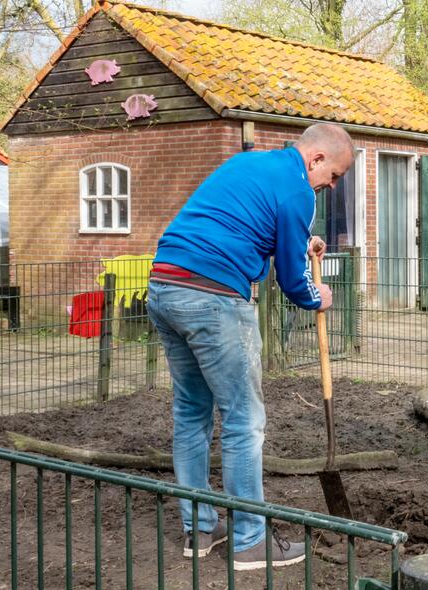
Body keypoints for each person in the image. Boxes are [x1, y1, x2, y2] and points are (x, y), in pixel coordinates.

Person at [146, 123, 355, 570]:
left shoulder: (249, 163)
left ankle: (200, 528)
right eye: (334, 175)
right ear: (316, 158)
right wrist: (318, 297)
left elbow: (250, 234)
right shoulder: (300, 191)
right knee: (244, 420)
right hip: (213, 298)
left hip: (165, 286)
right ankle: (249, 540)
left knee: (191, 412)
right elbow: (291, 279)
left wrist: (302, 244)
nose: (332, 185)